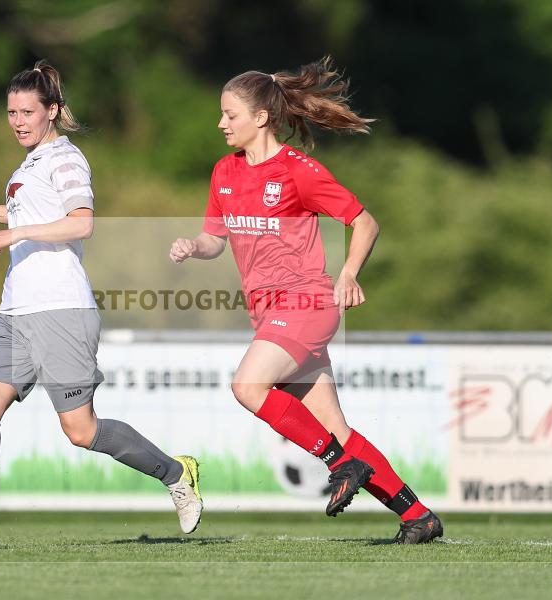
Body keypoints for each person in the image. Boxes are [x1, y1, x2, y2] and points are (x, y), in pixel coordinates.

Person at [0, 60, 203, 536]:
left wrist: (16, 231)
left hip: (60, 309)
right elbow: (33, 209)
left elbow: (81, 222)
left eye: (27, 111)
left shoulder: (66, 158)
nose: (18, 121)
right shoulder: (29, 163)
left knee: (80, 431)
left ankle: (175, 473)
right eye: (11, 112)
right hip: (15, 312)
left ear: (53, 111)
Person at [169, 57, 441, 544]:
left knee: (248, 386)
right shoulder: (223, 172)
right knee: (335, 428)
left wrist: (349, 273)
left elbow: (364, 222)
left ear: (260, 118)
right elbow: (216, 239)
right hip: (271, 314)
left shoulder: (298, 171)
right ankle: (416, 515)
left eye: (230, 114)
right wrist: (195, 246)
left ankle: (340, 466)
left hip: (306, 304)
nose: (221, 123)